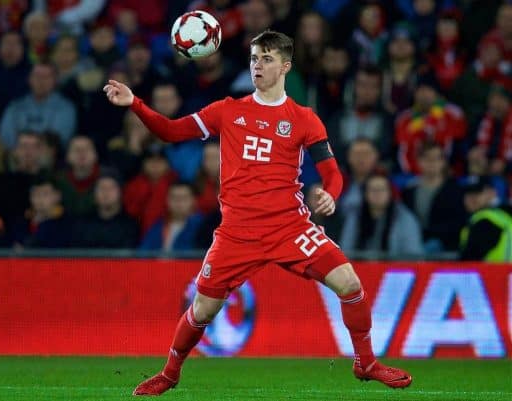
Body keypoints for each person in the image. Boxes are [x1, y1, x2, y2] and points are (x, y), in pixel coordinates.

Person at [104, 30, 412, 395]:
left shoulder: (304, 118)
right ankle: (170, 374)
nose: (257, 66)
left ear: (285, 66)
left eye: (266, 59)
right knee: (202, 311)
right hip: (237, 232)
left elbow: (331, 171)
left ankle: (366, 363)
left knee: (350, 284)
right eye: (253, 59)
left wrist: (330, 194)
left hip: (289, 226)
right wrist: (136, 103)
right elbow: (171, 132)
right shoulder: (227, 110)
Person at [460, 176, 512, 261]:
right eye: (467, 193)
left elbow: (468, 262)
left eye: (478, 192)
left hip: (494, 273)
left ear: (492, 193)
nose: (472, 198)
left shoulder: (485, 221)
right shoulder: (504, 215)